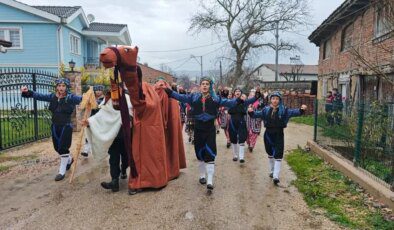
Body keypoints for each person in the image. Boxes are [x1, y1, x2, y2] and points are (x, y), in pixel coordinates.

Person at [165, 78, 260, 192]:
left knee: (210, 151)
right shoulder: (193, 97)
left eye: (207, 84)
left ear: (210, 86)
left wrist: (252, 98)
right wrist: (169, 92)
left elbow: (232, 102)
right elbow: (180, 97)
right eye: (203, 84)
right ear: (200, 86)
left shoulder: (216, 99)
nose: (205, 86)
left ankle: (210, 181)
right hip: (198, 128)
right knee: (199, 152)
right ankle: (202, 176)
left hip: (210, 128)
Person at [21, 78, 82, 181]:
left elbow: (81, 99)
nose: (61, 88)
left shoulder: (71, 98)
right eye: (59, 86)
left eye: (63, 86)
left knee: (63, 148)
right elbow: (39, 96)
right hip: (55, 126)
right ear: (56, 87)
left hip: (66, 127)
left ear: (66, 87)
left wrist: (88, 97)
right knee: (57, 148)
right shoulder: (52, 97)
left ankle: (61, 171)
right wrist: (28, 92)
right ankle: (69, 159)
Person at [248, 91, 307, 185]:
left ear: (279, 100)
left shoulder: (284, 110)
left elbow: (294, 112)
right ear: (270, 100)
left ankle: (276, 176)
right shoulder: (266, 110)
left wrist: (301, 110)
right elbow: (256, 114)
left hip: (279, 134)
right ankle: (272, 171)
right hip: (268, 134)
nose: (275, 100)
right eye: (273, 98)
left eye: (277, 99)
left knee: (278, 154)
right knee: (270, 153)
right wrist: (251, 112)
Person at [84, 88, 133, 192]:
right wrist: (89, 122)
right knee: (113, 158)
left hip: (124, 136)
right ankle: (114, 181)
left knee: (126, 156)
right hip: (112, 137)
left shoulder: (127, 102)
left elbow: (133, 115)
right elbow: (99, 116)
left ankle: (123, 170)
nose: (115, 101)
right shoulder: (107, 103)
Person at [228, 89, 259, 163]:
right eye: (236, 91)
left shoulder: (244, 102)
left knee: (242, 139)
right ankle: (235, 155)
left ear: (241, 94)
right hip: (232, 122)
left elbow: (253, 100)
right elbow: (221, 102)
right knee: (233, 139)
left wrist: (257, 95)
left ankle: (241, 157)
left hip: (241, 122)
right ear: (234, 93)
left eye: (239, 91)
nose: (237, 92)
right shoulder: (229, 102)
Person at [81, 85, 106, 157]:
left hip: (100, 120)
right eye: (96, 90)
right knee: (88, 134)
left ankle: (100, 150)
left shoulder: (104, 99)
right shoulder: (92, 98)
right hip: (91, 118)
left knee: (98, 136)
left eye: (99, 90)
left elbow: (98, 104)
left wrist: (92, 101)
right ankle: (86, 150)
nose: (98, 91)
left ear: (102, 91)